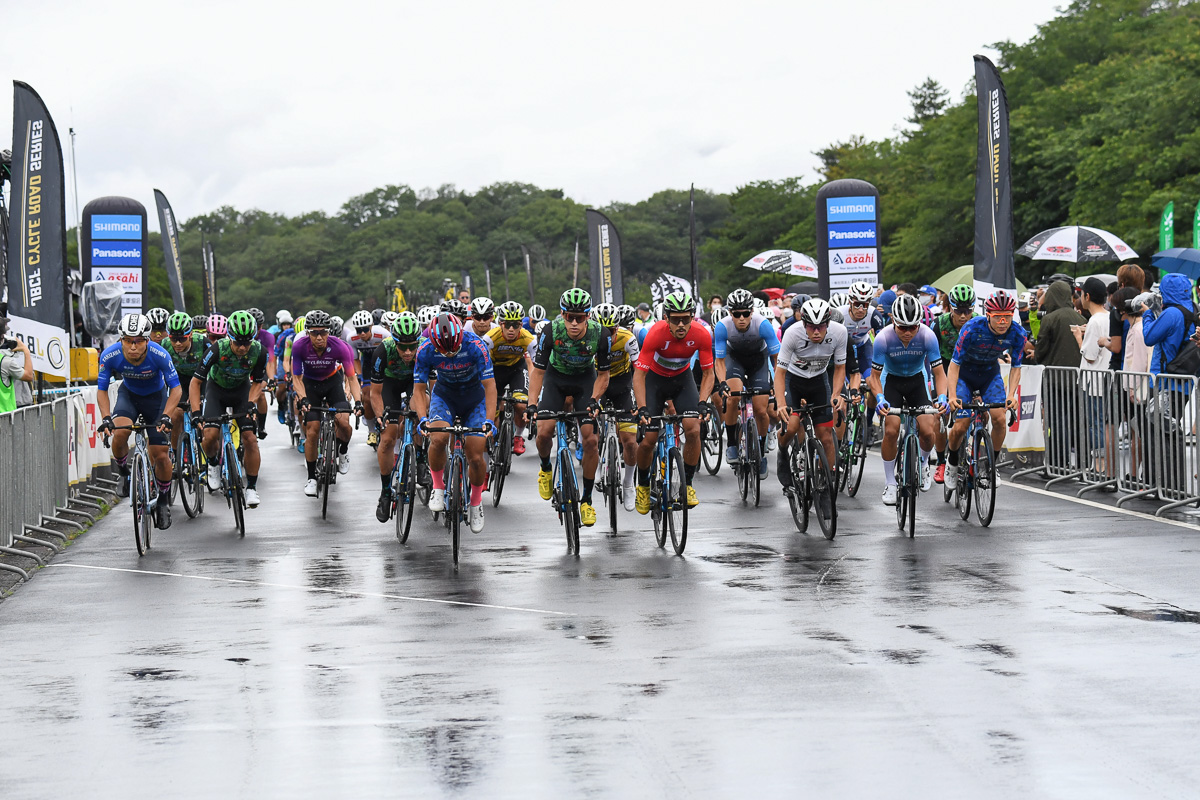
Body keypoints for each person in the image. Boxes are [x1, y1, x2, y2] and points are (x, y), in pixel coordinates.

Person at [526, 288, 611, 527]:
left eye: (580, 317)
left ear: (588, 316)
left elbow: (604, 375)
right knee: (543, 432)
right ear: (562, 315)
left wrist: (595, 400)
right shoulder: (551, 331)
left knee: (591, 441)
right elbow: (538, 372)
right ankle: (545, 469)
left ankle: (586, 501)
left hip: (585, 381)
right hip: (556, 380)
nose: (574, 323)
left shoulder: (601, 334)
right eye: (569, 317)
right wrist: (532, 404)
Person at [96, 314, 182, 529]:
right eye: (128, 341)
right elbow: (102, 390)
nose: (133, 346)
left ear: (148, 340)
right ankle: (124, 473)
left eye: (139, 341)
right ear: (121, 339)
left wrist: (166, 416)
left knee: (160, 454)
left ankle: (163, 500)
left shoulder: (159, 354)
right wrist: (106, 418)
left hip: (156, 399)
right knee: (120, 433)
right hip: (130, 397)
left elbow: (176, 389)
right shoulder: (110, 355)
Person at [413, 312, 495, 534]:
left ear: (461, 337)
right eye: (443, 349)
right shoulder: (425, 349)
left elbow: (490, 387)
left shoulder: (477, 346)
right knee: (438, 438)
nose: (449, 353)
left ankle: (476, 503)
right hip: (445, 397)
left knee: (476, 454)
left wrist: (489, 420)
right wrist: (422, 418)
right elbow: (419, 390)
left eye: (453, 348)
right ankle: (438, 487)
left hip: (474, 399)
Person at [632, 290, 714, 513]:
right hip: (655, 382)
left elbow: (708, 373)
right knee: (648, 439)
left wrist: (703, 401)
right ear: (665, 318)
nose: (680, 324)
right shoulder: (655, 334)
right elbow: (639, 375)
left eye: (685, 319)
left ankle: (687, 485)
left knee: (693, 430)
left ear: (692, 317)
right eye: (675, 319)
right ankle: (642, 485)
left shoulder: (702, 334)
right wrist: (642, 408)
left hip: (682, 381)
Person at [869, 295, 949, 505]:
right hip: (891, 381)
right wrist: (879, 398)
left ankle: (923, 464)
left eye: (912, 327)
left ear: (919, 324)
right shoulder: (883, 338)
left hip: (917, 380)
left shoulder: (927, 336)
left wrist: (942, 396)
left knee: (927, 429)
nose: (907, 333)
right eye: (902, 327)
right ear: (893, 322)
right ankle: (890, 483)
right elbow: (874, 377)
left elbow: (939, 373)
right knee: (892, 430)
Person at [774, 298, 847, 521]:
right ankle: (783, 451)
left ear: (828, 322)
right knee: (793, 424)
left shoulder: (840, 332)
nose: (816, 332)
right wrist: (781, 404)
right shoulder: (793, 334)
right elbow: (780, 373)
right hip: (793, 382)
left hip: (818, 381)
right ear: (803, 323)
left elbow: (840, 367)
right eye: (811, 327)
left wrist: (836, 394)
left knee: (826, 435)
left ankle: (825, 487)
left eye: (821, 327)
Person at [945, 291, 1026, 479]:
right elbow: (954, 365)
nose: (1003, 322)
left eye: (1007, 317)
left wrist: (1011, 395)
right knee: (961, 425)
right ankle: (952, 462)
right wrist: (951, 395)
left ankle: (990, 466)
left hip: (990, 375)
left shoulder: (1018, 333)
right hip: (965, 375)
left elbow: (1016, 367)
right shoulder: (971, 328)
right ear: (988, 315)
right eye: (998, 317)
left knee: (999, 419)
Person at [191, 310, 268, 508]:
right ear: (229, 337)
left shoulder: (259, 351)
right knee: (209, 435)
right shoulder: (217, 349)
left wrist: (251, 403)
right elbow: (195, 382)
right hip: (216, 390)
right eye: (238, 342)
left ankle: (251, 487)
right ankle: (214, 464)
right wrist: (196, 412)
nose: (242, 347)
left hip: (241, 391)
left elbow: (259, 382)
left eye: (247, 342)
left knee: (250, 438)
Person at [291, 310, 364, 496]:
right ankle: (311, 478)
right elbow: (296, 378)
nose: (319, 337)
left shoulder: (340, 346)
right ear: (307, 332)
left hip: (332, 383)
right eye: (314, 332)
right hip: (310, 385)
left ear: (329, 332)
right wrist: (303, 398)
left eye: (323, 332)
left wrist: (358, 402)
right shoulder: (299, 346)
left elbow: (352, 378)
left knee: (344, 425)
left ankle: (343, 450)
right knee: (313, 430)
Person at [714, 288, 779, 479]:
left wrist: (776, 382)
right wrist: (722, 383)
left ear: (752, 312)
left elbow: (777, 358)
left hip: (758, 360)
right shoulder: (722, 326)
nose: (741, 318)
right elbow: (719, 361)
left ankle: (761, 450)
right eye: (736, 314)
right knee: (732, 398)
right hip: (735, 360)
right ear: (730, 314)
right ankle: (733, 445)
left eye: (745, 313)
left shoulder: (763, 325)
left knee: (761, 409)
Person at [371, 313, 422, 522]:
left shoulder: (425, 349)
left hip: (414, 383)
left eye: (413, 346)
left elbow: (432, 388)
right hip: (390, 385)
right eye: (403, 347)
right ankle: (385, 492)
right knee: (388, 438)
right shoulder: (384, 350)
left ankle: (421, 460)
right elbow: (375, 393)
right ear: (395, 342)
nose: (408, 352)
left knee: (420, 412)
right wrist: (380, 416)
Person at [593, 302, 642, 510]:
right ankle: (596, 469)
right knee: (589, 434)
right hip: (596, 382)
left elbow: (639, 370)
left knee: (630, 440)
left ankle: (629, 483)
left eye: (611, 331)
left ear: (618, 327)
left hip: (622, 384)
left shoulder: (627, 338)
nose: (608, 336)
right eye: (602, 331)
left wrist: (642, 402)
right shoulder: (586, 340)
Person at [931, 284, 977, 483]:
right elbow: (930, 355)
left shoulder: (978, 323)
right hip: (943, 368)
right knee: (940, 413)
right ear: (950, 307)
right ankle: (941, 461)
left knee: (981, 409)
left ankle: (974, 457)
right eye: (959, 311)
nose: (964, 316)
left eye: (968, 311)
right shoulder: (939, 324)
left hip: (969, 369)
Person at [483, 301, 535, 454]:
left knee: (521, 405)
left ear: (521, 325)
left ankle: (518, 437)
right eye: (507, 325)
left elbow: (537, 366)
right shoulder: (490, 337)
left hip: (516, 370)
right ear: (500, 324)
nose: (511, 329)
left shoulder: (529, 339)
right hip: (495, 371)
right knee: (492, 411)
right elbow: (480, 363)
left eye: (516, 325)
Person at [344, 309, 389, 447]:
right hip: (367, 364)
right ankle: (372, 431)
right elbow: (355, 360)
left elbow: (390, 355)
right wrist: (360, 378)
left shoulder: (383, 334)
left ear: (371, 327)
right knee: (367, 396)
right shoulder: (352, 338)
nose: (362, 333)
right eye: (359, 330)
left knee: (385, 394)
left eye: (365, 329)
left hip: (384, 363)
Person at [164, 312, 207, 453]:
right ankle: (177, 455)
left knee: (203, 411)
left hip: (201, 381)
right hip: (180, 382)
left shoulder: (203, 343)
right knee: (176, 415)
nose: (177, 343)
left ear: (191, 334)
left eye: (182, 339)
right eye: (173, 339)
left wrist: (202, 396)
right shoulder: (164, 345)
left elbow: (213, 370)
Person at [1034, 280, 1085, 366]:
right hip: (1078, 373)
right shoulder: (1082, 319)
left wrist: (1036, 355)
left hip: (1053, 373)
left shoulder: (1049, 319)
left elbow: (1041, 350)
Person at [0, 316, 33, 413]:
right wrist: (26, 351)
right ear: (2, 337)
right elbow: (28, 376)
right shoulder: (5, 362)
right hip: (5, 417)